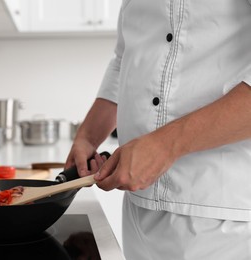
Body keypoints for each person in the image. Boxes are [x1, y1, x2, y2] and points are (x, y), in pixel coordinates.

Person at [65, 1, 251, 259]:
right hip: (138, 209)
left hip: (221, 216)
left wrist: (166, 144)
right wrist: (87, 136)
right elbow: (125, 57)